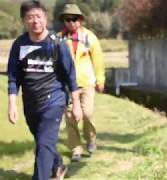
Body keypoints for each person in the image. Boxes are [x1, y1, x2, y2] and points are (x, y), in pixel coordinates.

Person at [7, 1, 82, 179]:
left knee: (43, 143)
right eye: (30, 17)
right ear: (24, 21)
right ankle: (58, 166)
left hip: (54, 101)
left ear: (45, 18)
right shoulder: (20, 44)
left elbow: (70, 76)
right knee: (43, 142)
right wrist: (12, 105)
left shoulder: (57, 44)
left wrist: (76, 104)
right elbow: (13, 77)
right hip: (30, 103)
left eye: (38, 16)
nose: (35, 21)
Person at [58, 3, 105, 162]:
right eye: (67, 19)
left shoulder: (90, 37)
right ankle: (76, 149)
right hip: (66, 86)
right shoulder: (59, 39)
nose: (71, 22)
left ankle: (91, 139)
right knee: (70, 117)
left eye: (74, 19)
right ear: (64, 21)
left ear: (81, 20)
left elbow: (98, 60)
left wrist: (100, 79)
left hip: (86, 84)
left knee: (87, 113)